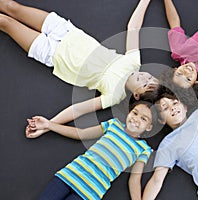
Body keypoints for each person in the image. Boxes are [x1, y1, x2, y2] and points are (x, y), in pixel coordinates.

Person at [0, 0, 159, 138]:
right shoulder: (133, 62)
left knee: (6, 23)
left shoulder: (115, 96)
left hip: (52, 54)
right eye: (151, 77)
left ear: (136, 95)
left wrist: (48, 125)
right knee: (12, 7)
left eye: (146, 84)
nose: (146, 78)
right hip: (66, 32)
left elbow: (78, 109)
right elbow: (133, 27)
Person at [26, 100, 157, 200]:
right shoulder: (113, 125)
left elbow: (134, 180)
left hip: (90, 193)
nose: (136, 118)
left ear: (149, 127)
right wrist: (49, 124)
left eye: (143, 119)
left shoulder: (143, 149)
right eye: (135, 113)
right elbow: (81, 134)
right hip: (69, 176)